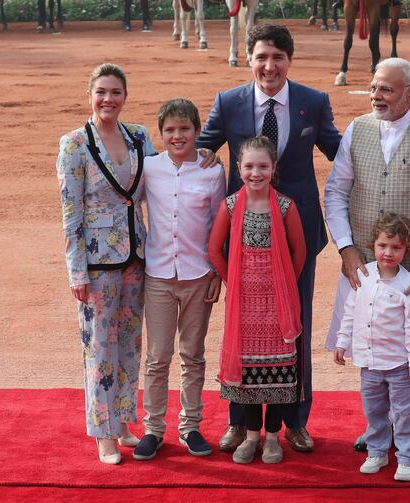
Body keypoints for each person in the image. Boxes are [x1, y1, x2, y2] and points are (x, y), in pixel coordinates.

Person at [56, 64, 218, 465]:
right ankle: (103, 434)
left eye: (115, 92)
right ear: (89, 95)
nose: (108, 99)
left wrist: (206, 153)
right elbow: (70, 212)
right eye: (101, 92)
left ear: (125, 96)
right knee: (98, 347)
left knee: (130, 344)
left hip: (138, 260)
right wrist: (76, 270)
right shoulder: (74, 144)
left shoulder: (139, 137)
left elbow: (171, 167)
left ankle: (126, 423)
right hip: (95, 263)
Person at [197, 23, 342, 453]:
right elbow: (200, 148)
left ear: (289, 61)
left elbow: (339, 150)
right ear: (249, 59)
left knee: (292, 328)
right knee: (242, 330)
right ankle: (239, 424)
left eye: (278, 57)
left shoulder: (313, 103)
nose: (269, 65)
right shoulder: (229, 102)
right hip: (243, 239)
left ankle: (294, 422)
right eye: (262, 56)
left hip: (296, 238)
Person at [323, 57, 410, 453]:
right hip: (364, 270)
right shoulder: (357, 129)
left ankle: (404, 434)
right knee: (369, 348)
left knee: (409, 352)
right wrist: (347, 248)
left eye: (385, 89)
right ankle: (378, 430)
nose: (375, 96)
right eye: (373, 87)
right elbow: (335, 193)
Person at [133, 98, 226, 461]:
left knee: (193, 356)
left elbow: (220, 223)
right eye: (170, 130)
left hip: (198, 275)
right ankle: (153, 429)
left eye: (184, 129)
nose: (177, 135)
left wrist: (217, 271)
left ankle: (190, 426)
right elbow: (129, 202)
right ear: (161, 134)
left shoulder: (211, 171)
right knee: (157, 358)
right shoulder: (149, 168)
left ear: (197, 132)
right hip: (157, 275)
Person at [208, 136, 307, 464]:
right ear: (239, 168)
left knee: (277, 372)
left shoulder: (285, 206)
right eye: (249, 166)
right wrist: (232, 282)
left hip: (277, 305)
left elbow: (300, 251)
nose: (256, 172)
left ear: (273, 168)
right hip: (244, 306)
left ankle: (274, 438)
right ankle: (251, 437)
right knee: (250, 375)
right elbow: (214, 249)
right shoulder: (231, 206)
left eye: (263, 166)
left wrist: (282, 285)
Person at [333, 213, 410, 482]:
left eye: (396, 247)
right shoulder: (363, 275)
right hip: (369, 363)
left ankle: (406, 458)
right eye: (383, 245)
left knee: (405, 412)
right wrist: (341, 342)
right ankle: (377, 452)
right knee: (374, 410)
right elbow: (350, 311)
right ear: (373, 245)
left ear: (405, 250)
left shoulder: (408, 284)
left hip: (399, 364)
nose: (388, 252)